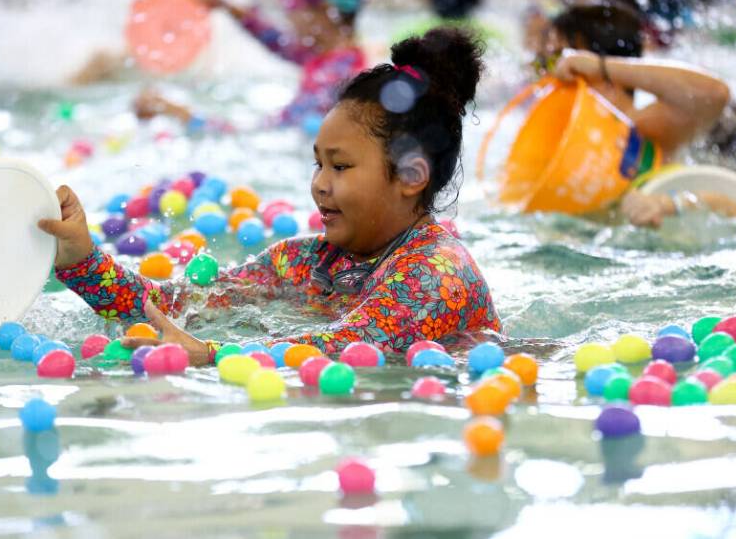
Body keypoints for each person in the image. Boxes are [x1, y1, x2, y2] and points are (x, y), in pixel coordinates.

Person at [39, 28, 501, 364]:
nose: (320, 183)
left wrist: (209, 354)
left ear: (411, 176)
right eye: (318, 164)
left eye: (340, 167)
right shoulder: (303, 262)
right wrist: (81, 261)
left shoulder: (438, 276)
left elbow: (346, 347)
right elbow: (176, 305)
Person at [134, 0, 398, 130]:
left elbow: (266, 134)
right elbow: (280, 44)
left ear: (324, 9)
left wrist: (176, 113)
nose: (285, 14)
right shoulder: (338, 57)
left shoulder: (330, 81)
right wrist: (225, 5)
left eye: (290, 4)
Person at [538, 3, 731, 161]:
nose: (552, 72)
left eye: (558, 59)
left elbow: (715, 94)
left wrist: (601, 67)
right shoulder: (555, 132)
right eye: (545, 61)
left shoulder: (643, 130)